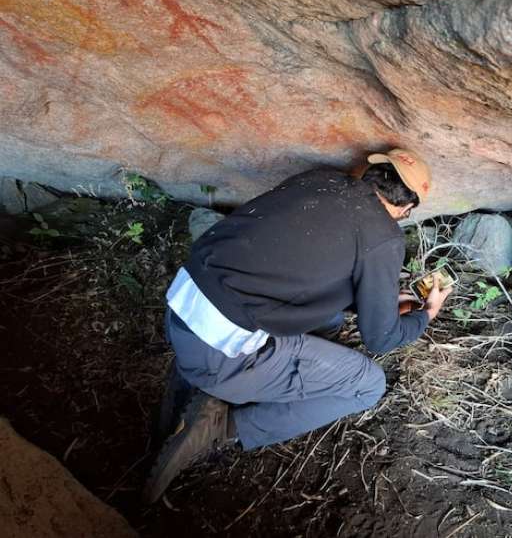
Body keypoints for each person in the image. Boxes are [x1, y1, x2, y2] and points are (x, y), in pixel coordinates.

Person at [143, 149, 453, 503]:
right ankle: (221, 426)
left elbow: (305, 263)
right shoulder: (384, 237)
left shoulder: (321, 180)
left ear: (372, 171)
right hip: (219, 352)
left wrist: (378, 299)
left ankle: (199, 384)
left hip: (182, 308)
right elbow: (381, 338)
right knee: (368, 386)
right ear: (405, 209)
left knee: (331, 318)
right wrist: (424, 315)